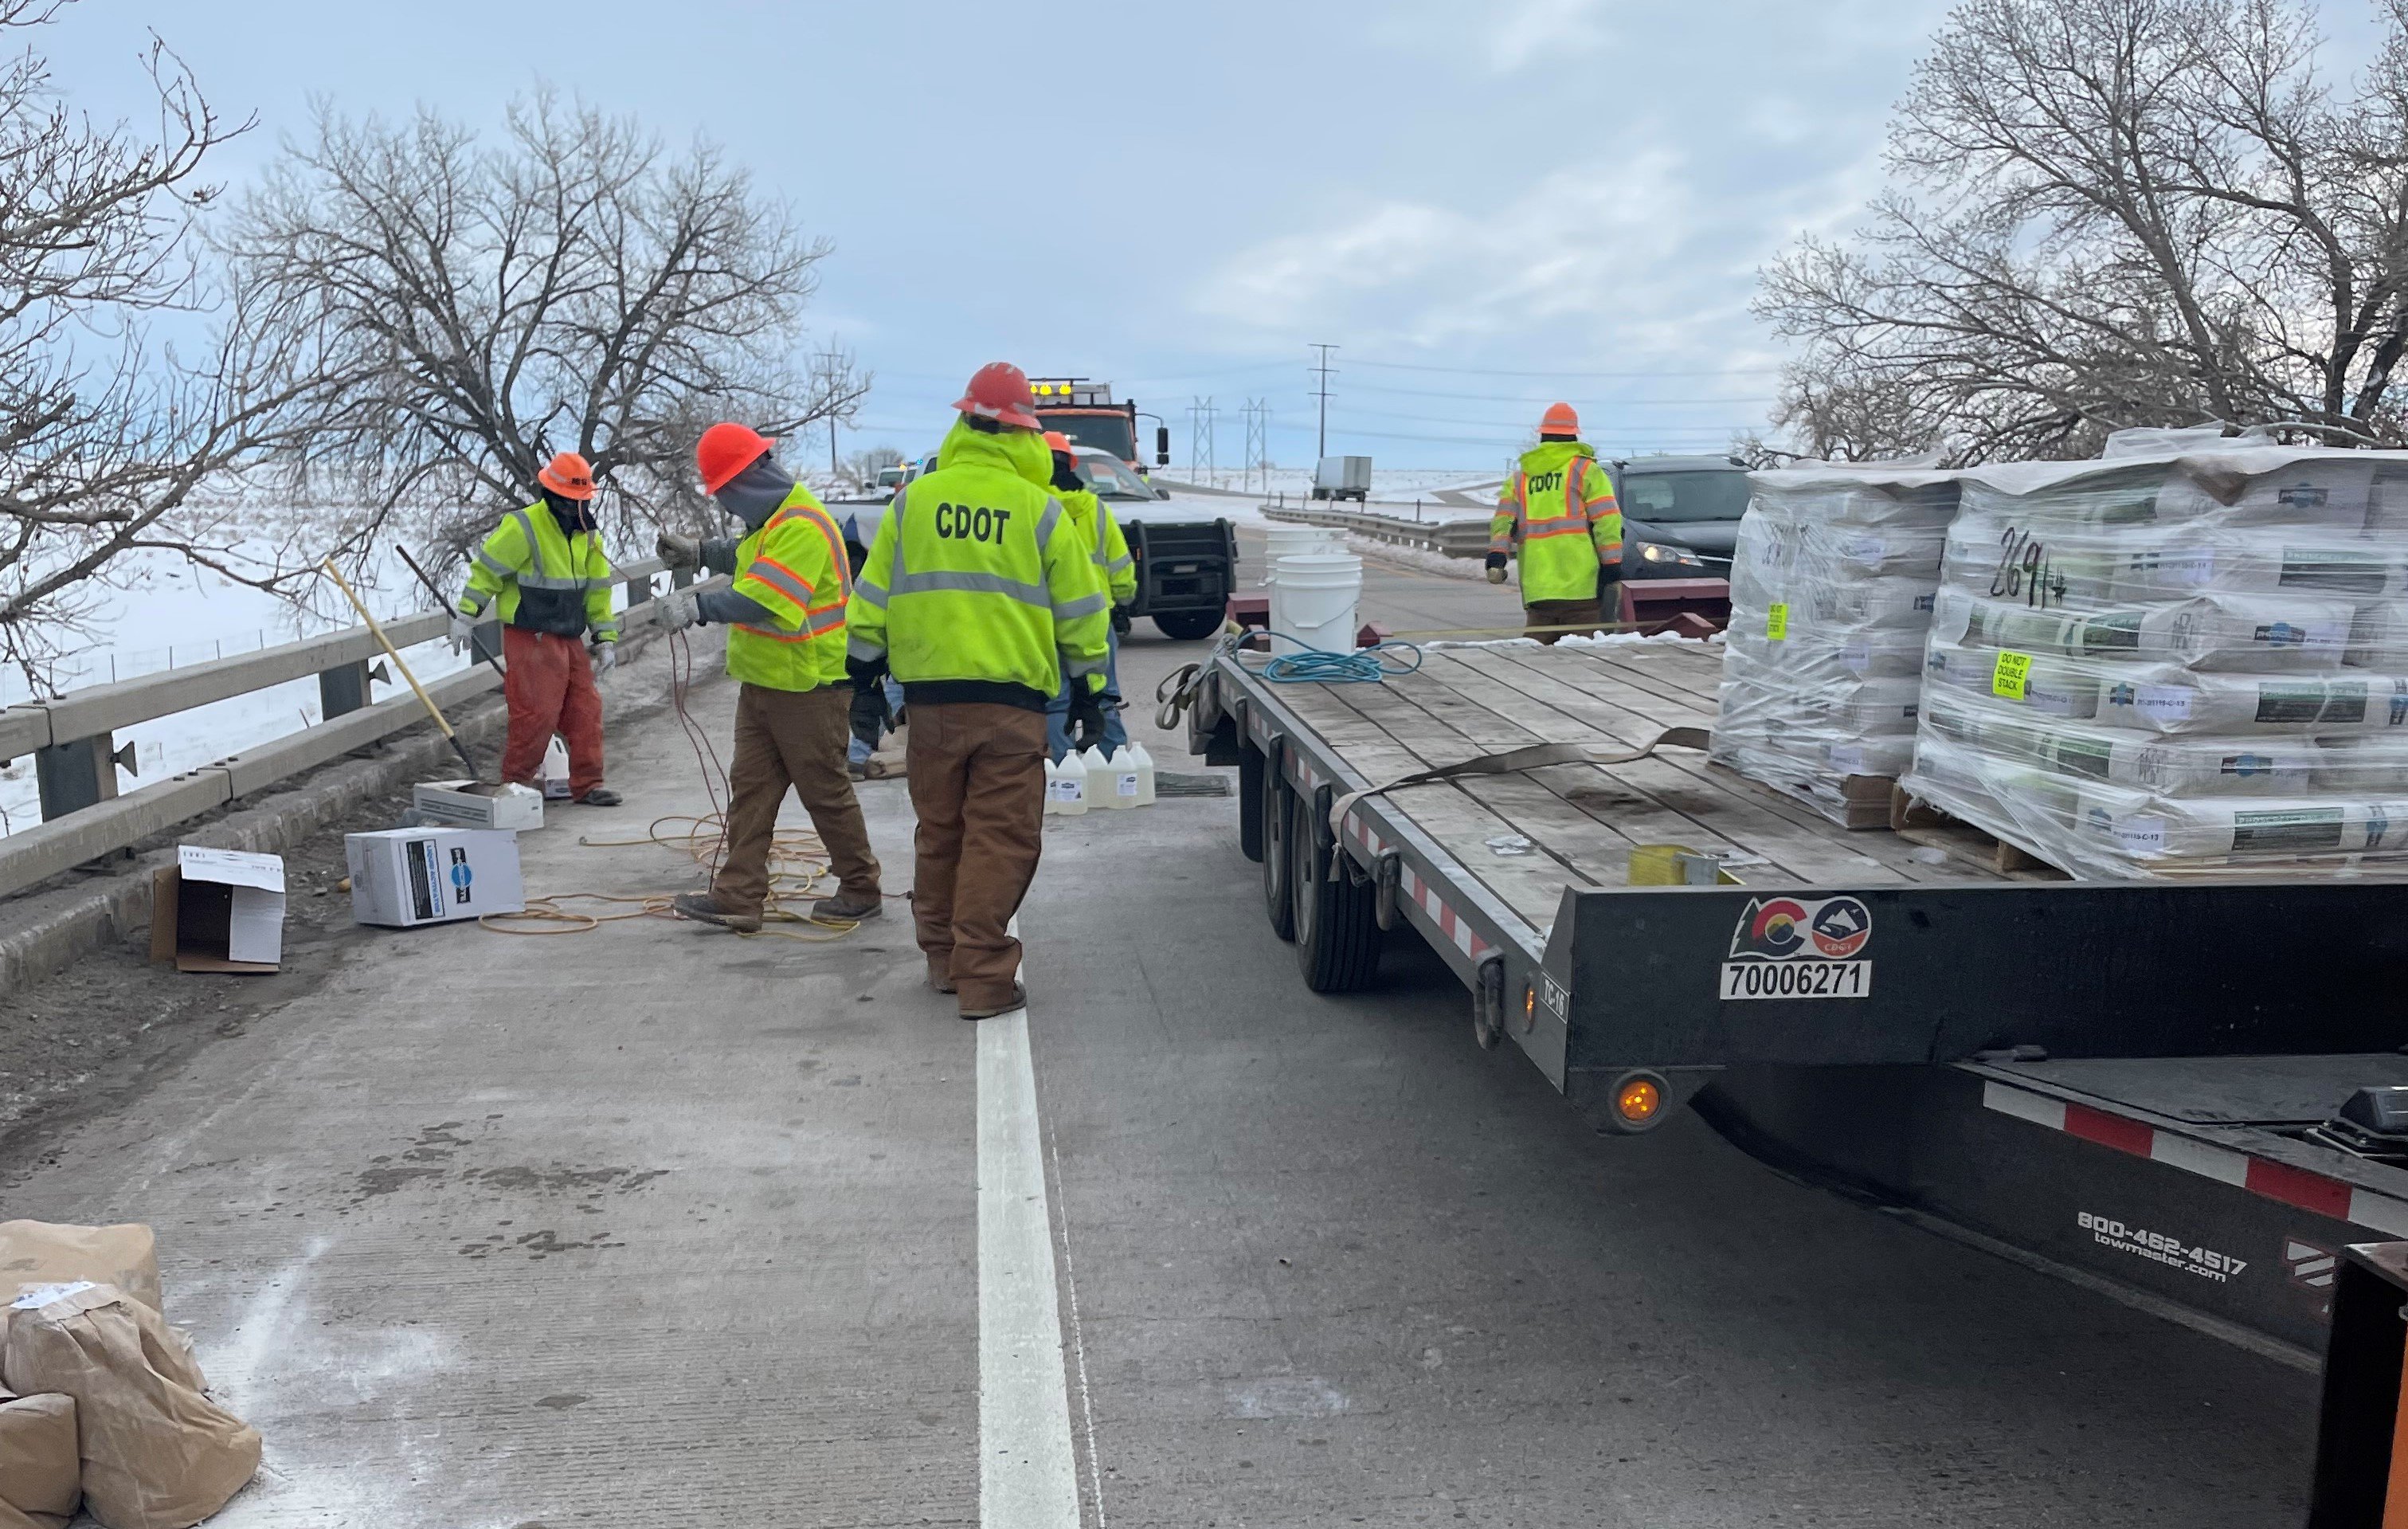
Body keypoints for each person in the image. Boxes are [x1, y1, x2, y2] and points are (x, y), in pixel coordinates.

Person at [845, 363, 1112, 1019]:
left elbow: (870, 598)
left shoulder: (912, 502)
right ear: (1023, 434)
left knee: (940, 832)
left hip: (930, 704)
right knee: (999, 837)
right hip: (1009, 706)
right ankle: (985, 977)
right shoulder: (1039, 509)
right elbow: (1083, 611)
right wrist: (1092, 693)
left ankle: (941, 961)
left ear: (963, 423)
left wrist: (862, 681)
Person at [652, 423, 883, 932]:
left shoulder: (801, 525)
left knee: (823, 791)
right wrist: (700, 552)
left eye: (727, 494)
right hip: (766, 683)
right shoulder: (775, 522)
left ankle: (861, 887)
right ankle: (738, 896)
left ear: (748, 480)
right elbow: (746, 555)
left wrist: (696, 607)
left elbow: (765, 598)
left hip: (808, 686)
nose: (729, 506)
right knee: (752, 791)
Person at [450, 452, 623, 806]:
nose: (575, 507)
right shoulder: (523, 526)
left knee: (585, 710)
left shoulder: (589, 536)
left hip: (569, 634)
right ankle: (515, 787)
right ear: (552, 494)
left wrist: (605, 638)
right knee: (536, 713)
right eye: (570, 500)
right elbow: (488, 572)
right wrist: (467, 614)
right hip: (531, 634)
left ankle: (588, 785)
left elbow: (598, 592)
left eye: (582, 500)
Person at [1486, 402, 1623, 645]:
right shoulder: (1585, 470)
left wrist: (1497, 557)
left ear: (1543, 435)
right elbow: (1606, 520)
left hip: (1538, 588)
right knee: (1582, 660)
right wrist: (1612, 562)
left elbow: (1503, 522)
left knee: (1538, 661)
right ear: (1573, 436)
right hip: (1582, 587)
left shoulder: (1521, 477)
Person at [1040, 430, 1136, 762]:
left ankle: (1062, 768)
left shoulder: (1030, 504)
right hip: (1095, 617)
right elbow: (1120, 563)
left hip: (1043, 618)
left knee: (1055, 699)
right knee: (1103, 692)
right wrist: (1123, 602)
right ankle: (1112, 762)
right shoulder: (1093, 507)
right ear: (1072, 464)